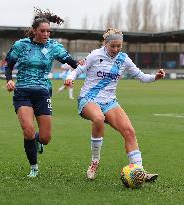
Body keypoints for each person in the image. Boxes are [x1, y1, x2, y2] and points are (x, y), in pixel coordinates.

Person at [65, 28, 165, 181]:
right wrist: (71, 78)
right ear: (105, 43)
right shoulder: (95, 55)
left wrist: (155, 77)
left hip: (110, 102)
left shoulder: (123, 59)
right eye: (113, 46)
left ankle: (139, 172)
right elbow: (78, 70)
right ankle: (94, 162)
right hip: (89, 99)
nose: (116, 49)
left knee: (129, 131)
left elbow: (141, 76)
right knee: (98, 118)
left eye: (119, 46)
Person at [5, 8, 80, 178]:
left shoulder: (54, 46)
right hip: (22, 92)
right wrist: (9, 79)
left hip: (43, 93)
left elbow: (71, 62)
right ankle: (34, 168)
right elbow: (8, 64)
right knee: (28, 130)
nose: (46, 34)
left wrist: (83, 65)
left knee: (45, 138)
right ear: (34, 31)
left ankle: (37, 142)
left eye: (48, 31)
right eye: (43, 31)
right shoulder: (21, 45)